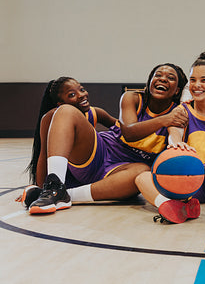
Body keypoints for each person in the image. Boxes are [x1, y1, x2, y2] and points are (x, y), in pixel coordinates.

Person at [22, 64, 188, 214]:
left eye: (170, 78)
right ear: (149, 82)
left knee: (143, 172)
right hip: (98, 153)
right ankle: (53, 187)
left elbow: (175, 137)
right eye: (158, 75)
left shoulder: (178, 113)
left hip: (121, 171)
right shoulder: (133, 98)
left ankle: (64, 194)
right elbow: (129, 132)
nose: (163, 79)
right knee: (67, 111)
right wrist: (164, 119)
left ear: (178, 90)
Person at [135, 52, 205, 226]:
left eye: (204, 80)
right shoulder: (182, 111)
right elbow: (174, 135)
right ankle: (170, 206)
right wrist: (176, 144)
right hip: (189, 180)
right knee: (141, 177)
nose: (197, 85)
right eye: (193, 80)